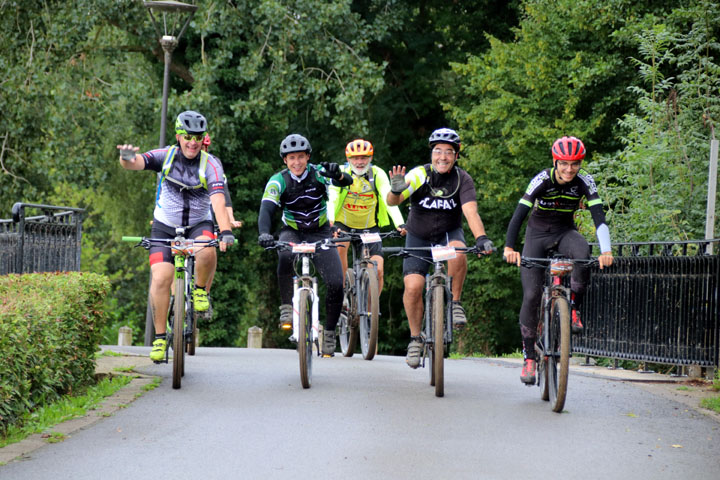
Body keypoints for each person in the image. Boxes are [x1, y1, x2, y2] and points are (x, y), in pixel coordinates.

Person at [117, 110, 235, 362]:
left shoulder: (211, 164)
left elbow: (218, 200)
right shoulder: (166, 156)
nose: (192, 142)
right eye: (187, 136)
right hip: (164, 225)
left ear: (204, 139)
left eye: (197, 137)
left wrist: (224, 231)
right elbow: (135, 163)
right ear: (178, 136)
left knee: (207, 248)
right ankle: (160, 338)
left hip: (197, 223)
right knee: (162, 277)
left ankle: (200, 290)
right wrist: (126, 157)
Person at [503, 135, 614, 385]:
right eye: (564, 163)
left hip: (565, 232)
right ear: (555, 161)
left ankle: (572, 307)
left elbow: (598, 216)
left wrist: (606, 250)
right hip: (537, 235)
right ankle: (529, 357)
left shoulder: (585, 180)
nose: (569, 169)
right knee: (531, 295)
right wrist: (510, 247)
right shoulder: (542, 179)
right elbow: (519, 213)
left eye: (575, 164)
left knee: (583, 254)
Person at [386, 128, 494, 369]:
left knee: (458, 249)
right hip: (419, 237)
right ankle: (416, 339)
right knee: (413, 287)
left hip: (448, 234)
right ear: (431, 153)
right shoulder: (419, 174)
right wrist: (395, 190)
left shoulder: (462, 179)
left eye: (448, 152)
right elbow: (393, 201)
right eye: (438, 151)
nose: (442, 157)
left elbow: (470, 211)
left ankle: (455, 303)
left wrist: (482, 237)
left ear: (456, 156)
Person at [257, 134, 353, 356]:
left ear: (308, 157)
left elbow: (346, 182)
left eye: (301, 157)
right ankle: (286, 308)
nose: (297, 162)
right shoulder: (278, 181)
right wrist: (263, 233)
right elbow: (266, 209)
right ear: (285, 160)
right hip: (292, 231)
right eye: (292, 158)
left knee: (336, 282)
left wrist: (337, 174)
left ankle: (329, 332)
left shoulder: (318, 172)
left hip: (320, 231)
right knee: (283, 254)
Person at [328, 138, 406, 294]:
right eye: (355, 158)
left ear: (370, 158)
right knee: (339, 249)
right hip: (343, 225)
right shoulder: (341, 175)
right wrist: (330, 222)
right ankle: (341, 295)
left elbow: (387, 198)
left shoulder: (377, 174)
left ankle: (371, 314)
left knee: (377, 271)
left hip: (369, 228)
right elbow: (333, 198)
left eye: (363, 158)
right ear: (348, 159)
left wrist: (400, 223)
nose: (359, 162)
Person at [201, 133, 242, 295]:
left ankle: (205, 293)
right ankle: (174, 297)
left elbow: (224, 195)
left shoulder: (213, 163)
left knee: (210, 249)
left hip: (211, 210)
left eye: (204, 147)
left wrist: (229, 221)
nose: (201, 150)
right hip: (184, 212)